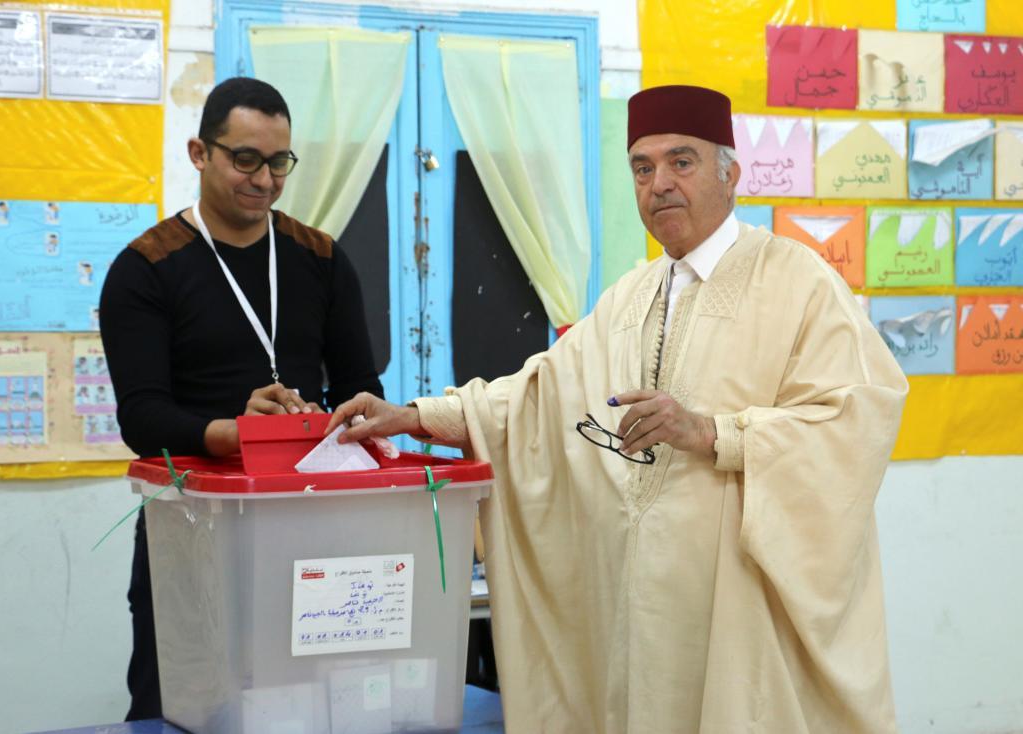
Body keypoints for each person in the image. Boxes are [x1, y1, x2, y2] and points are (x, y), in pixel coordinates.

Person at [326, 85, 909, 733]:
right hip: (641, 613)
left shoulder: (799, 282)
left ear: (730, 174)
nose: (660, 184)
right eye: (642, 167)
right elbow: (535, 398)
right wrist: (413, 416)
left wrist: (713, 433)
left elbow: (855, 419)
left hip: (739, 614)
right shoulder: (630, 297)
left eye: (681, 162)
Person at [99, 77, 383, 721]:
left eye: (279, 162)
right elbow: (143, 418)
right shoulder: (147, 267)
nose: (264, 180)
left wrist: (323, 421)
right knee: (186, 708)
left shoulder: (320, 257)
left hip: (310, 528)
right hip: (191, 533)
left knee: (311, 708)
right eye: (246, 159)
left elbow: (362, 390)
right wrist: (236, 433)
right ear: (200, 153)